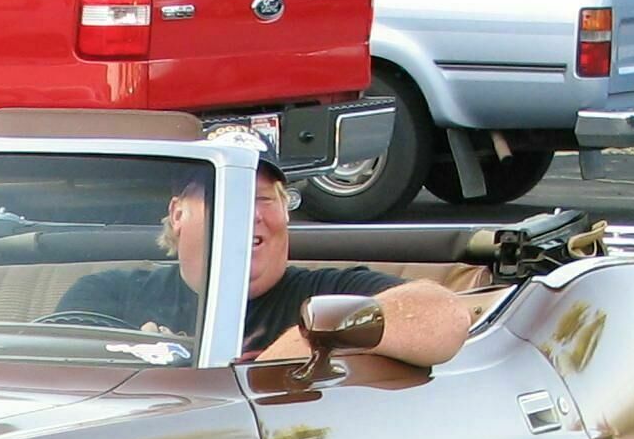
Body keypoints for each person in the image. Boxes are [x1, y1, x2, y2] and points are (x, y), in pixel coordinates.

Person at [53, 149, 471, 366]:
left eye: (264, 199)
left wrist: (299, 345)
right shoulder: (107, 293)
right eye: (226, 197)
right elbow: (62, 373)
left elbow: (444, 315)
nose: (250, 215)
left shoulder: (324, 292)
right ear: (178, 213)